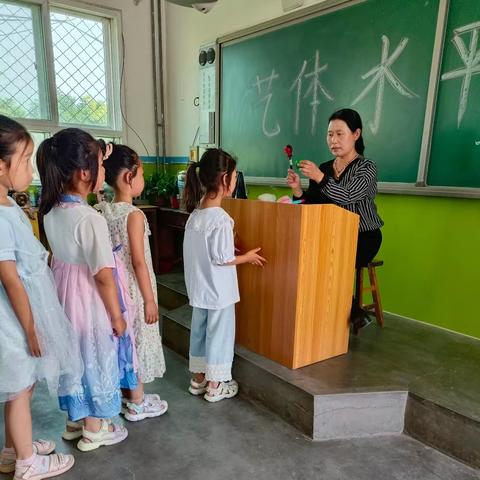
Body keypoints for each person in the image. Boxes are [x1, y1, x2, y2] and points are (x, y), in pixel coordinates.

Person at [37, 128, 129, 451]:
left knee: (73, 357)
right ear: (84, 173)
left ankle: (74, 422)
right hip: (88, 301)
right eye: (101, 166)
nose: (105, 172)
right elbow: (104, 275)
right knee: (94, 354)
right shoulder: (90, 219)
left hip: (62, 297)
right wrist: (116, 316)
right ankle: (95, 428)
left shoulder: (49, 211)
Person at [0, 115, 79, 479]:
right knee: (20, 387)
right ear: (1, 166)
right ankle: (28, 465)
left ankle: (15, 449)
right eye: (26, 159)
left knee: (19, 384)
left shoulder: (9, 205)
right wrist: (31, 327)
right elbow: (11, 278)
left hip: (18, 316)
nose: (31, 170)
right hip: (12, 320)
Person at [287, 108, 383, 333]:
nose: (334, 140)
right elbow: (312, 207)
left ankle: (345, 313)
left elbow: (347, 195)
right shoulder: (324, 168)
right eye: (330, 134)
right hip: (331, 235)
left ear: (356, 134)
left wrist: (320, 179)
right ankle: (346, 313)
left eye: (340, 134)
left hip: (363, 236)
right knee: (309, 257)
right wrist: (298, 190)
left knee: (328, 261)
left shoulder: (367, 168)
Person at [183, 148, 266, 402]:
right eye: (233, 175)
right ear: (224, 180)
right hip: (219, 293)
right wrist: (247, 257)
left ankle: (198, 379)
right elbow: (222, 259)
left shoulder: (195, 215)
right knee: (220, 335)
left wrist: (229, 248)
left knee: (199, 331)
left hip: (199, 290)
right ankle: (216, 385)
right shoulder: (221, 219)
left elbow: (207, 253)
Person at [97, 143, 168, 421]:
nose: (143, 179)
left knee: (126, 342)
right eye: (141, 174)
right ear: (129, 176)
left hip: (116, 289)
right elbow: (139, 261)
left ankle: (130, 396)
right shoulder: (134, 215)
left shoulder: (104, 211)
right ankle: (137, 403)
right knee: (138, 341)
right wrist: (150, 299)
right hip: (137, 291)